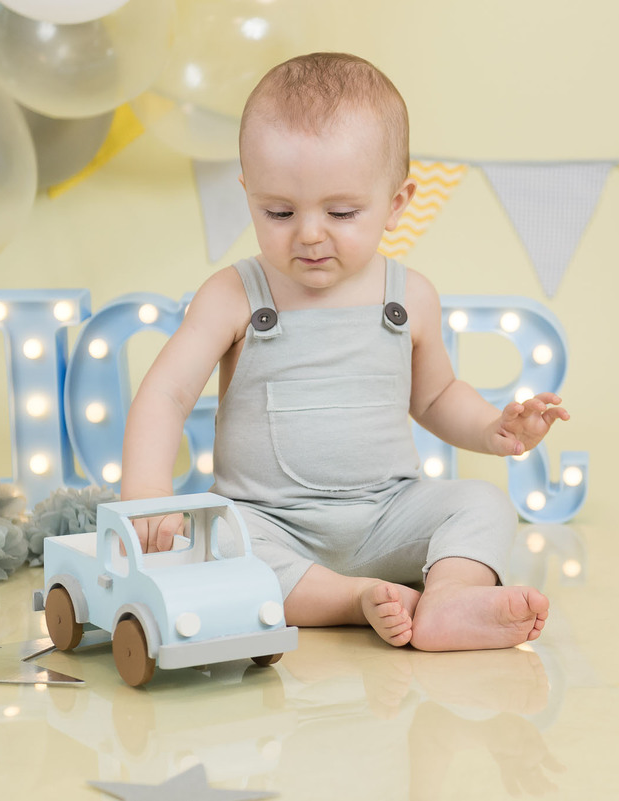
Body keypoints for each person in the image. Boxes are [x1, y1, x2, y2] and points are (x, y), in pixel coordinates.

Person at [120, 52, 569, 652]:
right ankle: (350, 601)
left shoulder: (409, 297)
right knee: (213, 544)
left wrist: (493, 428)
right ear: (248, 192)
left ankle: (450, 597)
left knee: (483, 502)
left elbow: (435, 396)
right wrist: (149, 493)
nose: (308, 233)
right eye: (278, 211)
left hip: (388, 515)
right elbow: (167, 392)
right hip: (266, 522)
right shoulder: (234, 295)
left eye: (341, 212)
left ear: (397, 202)